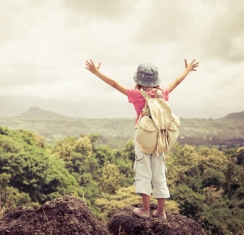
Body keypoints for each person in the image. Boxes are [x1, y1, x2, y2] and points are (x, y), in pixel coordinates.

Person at [85, 59, 199, 219]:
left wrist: (96, 72)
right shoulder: (162, 93)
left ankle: (145, 210)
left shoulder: (136, 94)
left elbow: (114, 84)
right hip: (160, 137)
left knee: (143, 170)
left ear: (138, 80)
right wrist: (187, 69)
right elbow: (177, 82)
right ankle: (160, 212)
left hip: (143, 136)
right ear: (156, 80)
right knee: (159, 172)